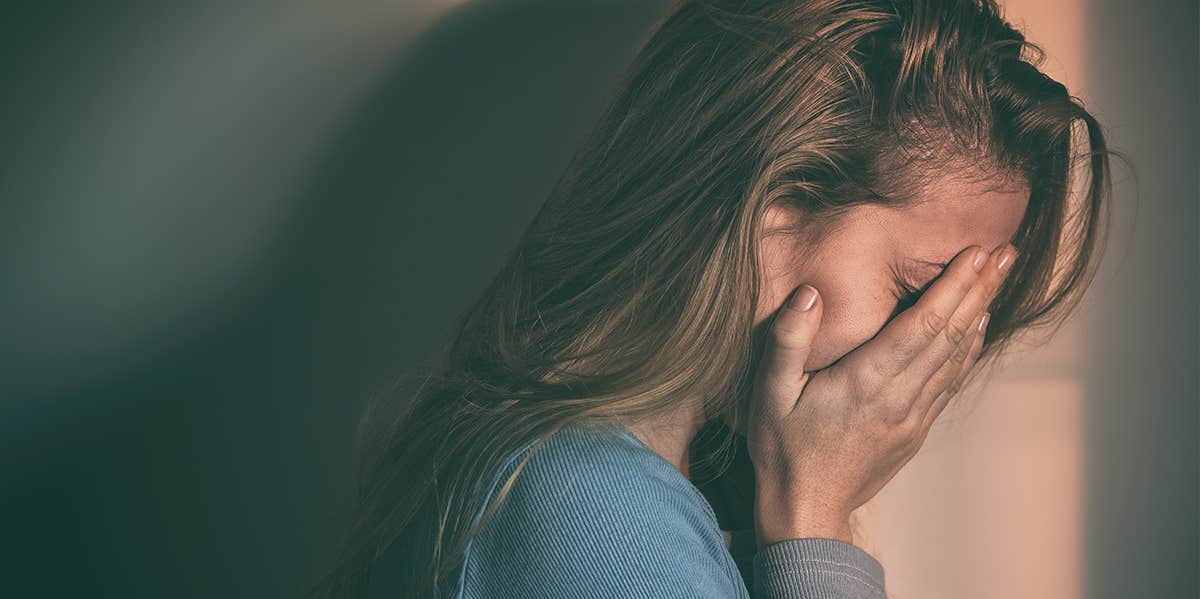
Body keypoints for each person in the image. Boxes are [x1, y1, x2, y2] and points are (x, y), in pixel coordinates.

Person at [311, 0, 1114, 597]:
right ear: (768, 209)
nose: (930, 355)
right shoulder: (594, 510)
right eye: (920, 291)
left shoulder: (578, 475)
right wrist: (814, 516)